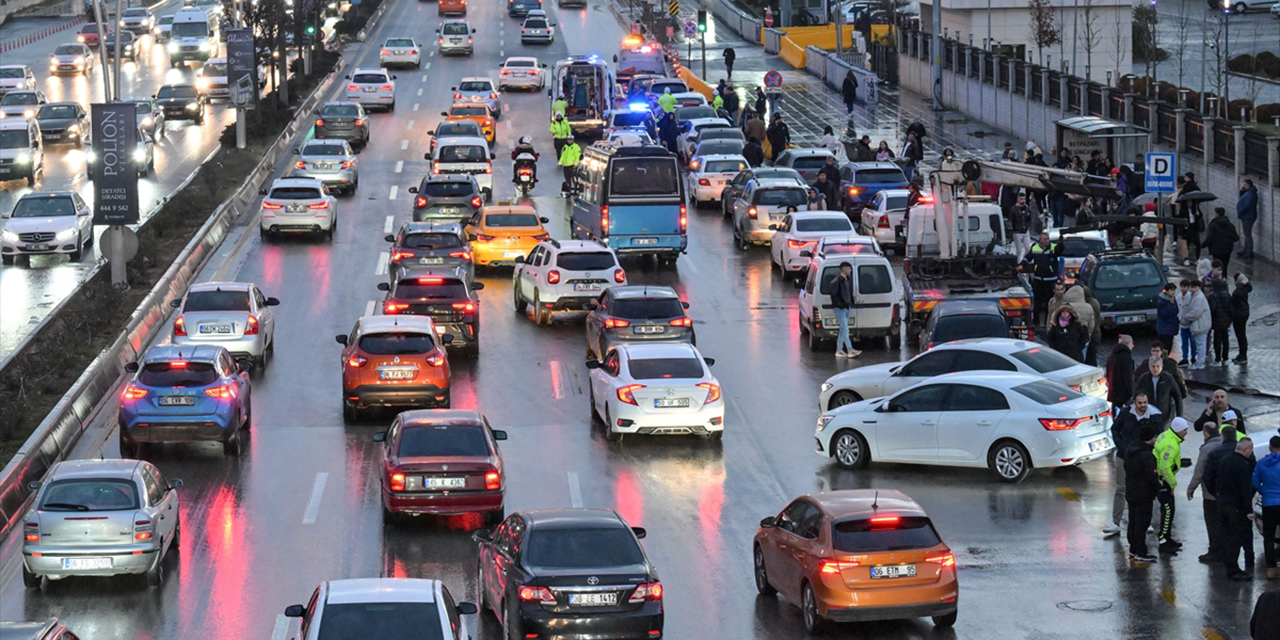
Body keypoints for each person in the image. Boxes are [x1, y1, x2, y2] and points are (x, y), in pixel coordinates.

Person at [1105, 391, 1164, 537]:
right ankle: (1116, 522)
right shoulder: (1126, 413)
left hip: (1144, 459)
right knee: (1121, 488)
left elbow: (1160, 436)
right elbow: (1115, 429)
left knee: (1144, 490)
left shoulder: (1155, 415)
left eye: (1145, 403)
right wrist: (1121, 445)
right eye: (1140, 403)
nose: (1143, 406)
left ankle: (1146, 522)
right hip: (1124, 456)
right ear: (1134, 403)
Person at [1217, 437, 1257, 580]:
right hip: (1236, 507)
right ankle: (1233, 570)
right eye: (1251, 450)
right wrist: (1248, 511)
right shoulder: (1243, 465)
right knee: (1235, 538)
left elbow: (1216, 481)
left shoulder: (1224, 460)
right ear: (1246, 450)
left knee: (1226, 536)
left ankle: (1229, 565)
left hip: (1222, 503)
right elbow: (1245, 490)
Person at [1188, 423, 1227, 562]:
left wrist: (1191, 489)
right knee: (1225, 523)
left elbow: (1199, 472)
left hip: (1210, 495)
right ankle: (1226, 550)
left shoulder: (1207, 449)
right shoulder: (1225, 445)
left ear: (1206, 434)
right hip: (1227, 494)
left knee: (1212, 523)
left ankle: (1214, 550)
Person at [1126, 424, 1163, 563]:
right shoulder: (1147, 455)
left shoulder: (1131, 450)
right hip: (1144, 494)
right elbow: (1151, 476)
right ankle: (1141, 551)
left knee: (1133, 521)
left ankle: (1133, 547)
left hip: (1131, 491)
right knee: (1142, 523)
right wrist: (1158, 488)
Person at [1154, 418, 1191, 553]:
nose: (1187, 432)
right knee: (1168, 511)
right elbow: (1164, 467)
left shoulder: (1167, 435)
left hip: (1161, 479)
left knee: (1168, 510)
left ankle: (1166, 537)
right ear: (1178, 430)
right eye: (1185, 430)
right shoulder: (1171, 444)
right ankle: (1164, 540)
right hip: (1164, 481)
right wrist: (1172, 484)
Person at [1021, 233, 1063, 327]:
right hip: (1038, 280)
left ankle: (1049, 322)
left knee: (1050, 302)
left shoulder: (1053, 247)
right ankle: (1036, 322)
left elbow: (1059, 250)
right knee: (1037, 303)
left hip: (1050, 281)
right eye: (1045, 239)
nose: (1047, 240)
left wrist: (1061, 243)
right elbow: (1027, 258)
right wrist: (1022, 265)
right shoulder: (1035, 248)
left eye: (1048, 239)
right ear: (1040, 240)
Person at [1254, 435, 1280, 580]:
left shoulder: (1262, 463)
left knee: (1268, 537)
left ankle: (1272, 568)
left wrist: (1265, 492)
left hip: (1269, 504)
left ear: (1270, 447)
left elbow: (1255, 481)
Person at [1134, 356, 1182, 427]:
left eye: (1157, 366)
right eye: (1153, 366)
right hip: (1148, 415)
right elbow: (1136, 395)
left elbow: (1177, 396)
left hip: (1165, 416)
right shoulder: (1143, 379)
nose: (1155, 369)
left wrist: (1179, 416)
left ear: (1162, 366)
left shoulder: (1168, 379)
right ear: (1149, 367)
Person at [829, 262, 860, 358]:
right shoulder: (836, 282)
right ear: (844, 269)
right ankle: (850, 349)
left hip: (847, 307)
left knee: (843, 329)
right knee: (845, 329)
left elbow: (849, 293)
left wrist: (851, 302)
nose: (850, 270)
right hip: (840, 309)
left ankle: (839, 349)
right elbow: (834, 296)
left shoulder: (847, 280)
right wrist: (840, 305)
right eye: (849, 268)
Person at [1062, 286, 1096, 362]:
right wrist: (1088, 337)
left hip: (1070, 338)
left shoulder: (1067, 306)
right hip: (1083, 337)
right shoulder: (1088, 306)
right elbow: (1091, 324)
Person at [1106, 335, 1136, 418]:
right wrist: (1131, 393)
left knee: (1115, 416)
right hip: (1124, 395)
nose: (1133, 346)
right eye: (1132, 343)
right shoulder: (1126, 357)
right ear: (1127, 344)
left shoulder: (1111, 356)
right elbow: (1128, 377)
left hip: (1114, 393)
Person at [1184, 280, 1212, 370]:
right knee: (1200, 344)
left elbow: (1195, 313)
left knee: (1200, 344)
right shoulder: (1196, 296)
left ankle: (1200, 362)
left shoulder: (1199, 298)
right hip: (1199, 325)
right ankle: (1200, 361)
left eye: (1194, 287)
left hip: (1200, 325)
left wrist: (1186, 317)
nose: (1192, 289)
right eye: (1191, 287)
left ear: (1199, 287)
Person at [1202, 206, 1240, 271]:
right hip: (1227, 249)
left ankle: (1218, 279)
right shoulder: (1230, 225)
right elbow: (1236, 238)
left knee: (1217, 267)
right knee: (1225, 267)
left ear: (1217, 214)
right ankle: (1224, 278)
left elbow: (1210, 238)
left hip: (1216, 250)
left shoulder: (1213, 225)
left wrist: (1203, 245)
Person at [1208, 279, 1233, 367]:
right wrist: (1230, 319)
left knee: (1217, 340)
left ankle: (1217, 359)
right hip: (1226, 321)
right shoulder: (1227, 295)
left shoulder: (1212, 296)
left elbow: (1212, 309)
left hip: (1216, 321)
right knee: (1225, 340)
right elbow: (1231, 309)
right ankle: (1225, 358)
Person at [1007, 192, 1036, 260]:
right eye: (1021, 199)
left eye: (1024, 199)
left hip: (1025, 231)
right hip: (1017, 232)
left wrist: (1028, 226)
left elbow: (1029, 218)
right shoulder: (1013, 209)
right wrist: (1012, 232)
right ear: (1018, 199)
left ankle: (1024, 260)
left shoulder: (1027, 208)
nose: (1023, 201)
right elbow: (1010, 220)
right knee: (1018, 250)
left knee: (1028, 248)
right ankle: (1018, 262)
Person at [1232, 273, 1251, 364]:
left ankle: (1243, 355)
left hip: (1239, 315)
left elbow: (1235, 294)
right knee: (1241, 335)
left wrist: (1241, 284)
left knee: (1241, 335)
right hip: (1243, 313)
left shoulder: (1240, 290)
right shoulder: (1245, 289)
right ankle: (1242, 354)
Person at [1237, 178, 1258, 259]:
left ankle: (1249, 251)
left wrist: (1240, 211)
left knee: (1247, 234)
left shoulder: (1250, 194)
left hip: (1248, 216)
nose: (1243, 186)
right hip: (1247, 216)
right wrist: (1241, 191)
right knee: (1246, 233)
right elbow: (1242, 198)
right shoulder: (1248, 192)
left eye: (1245, 184)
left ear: (1249, 185)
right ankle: (1246, 249)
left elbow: (1246, 205)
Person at [1156, 283, 1179, 354]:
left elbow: (1176, 311)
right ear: (1166, 291)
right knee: (1165, 347)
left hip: (1171, 328)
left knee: (1169, 346)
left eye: (1174, 290)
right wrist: (1171, 305)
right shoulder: (1161, 302)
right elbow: (1165, 313)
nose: (1173, 292)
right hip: (1164, 329)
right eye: (1171, 290)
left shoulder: (1172, 299)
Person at [1176, 279, 1194, 365]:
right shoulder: (1178, 297)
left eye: (1185, 287)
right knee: (1184, 342)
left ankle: (1194, 357)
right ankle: (1185, 358)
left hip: (1191, 324)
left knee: (1193, 342)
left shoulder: (1191, 297)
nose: (1183, 288)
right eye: (1182, 287)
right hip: (1182, 324)